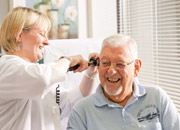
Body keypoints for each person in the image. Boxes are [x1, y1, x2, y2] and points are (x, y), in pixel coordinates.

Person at [0, 7, 97, 130]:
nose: (47, 42)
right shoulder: (7, 68)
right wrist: (68, 60)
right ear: (20, 35)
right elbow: (43, 78)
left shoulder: (35, 74)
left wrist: (91, 74)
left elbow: (70, 103)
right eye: (42, 34)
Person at [67, 34, 180, 130]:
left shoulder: (157, 97)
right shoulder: (82, 111)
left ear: (136, 67)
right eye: (105, 63)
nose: (111, 71)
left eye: (120, 64)